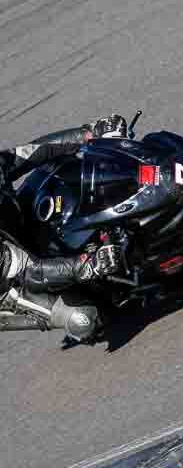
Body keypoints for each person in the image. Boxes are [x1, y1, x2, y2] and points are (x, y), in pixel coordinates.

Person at [0, 115, 126, 342]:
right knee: (84, 319)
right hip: (12, 286)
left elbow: (31, 153)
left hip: (16, 224)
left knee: (63, 170)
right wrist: (87, 266)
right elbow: (32, 272)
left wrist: (89, 134)